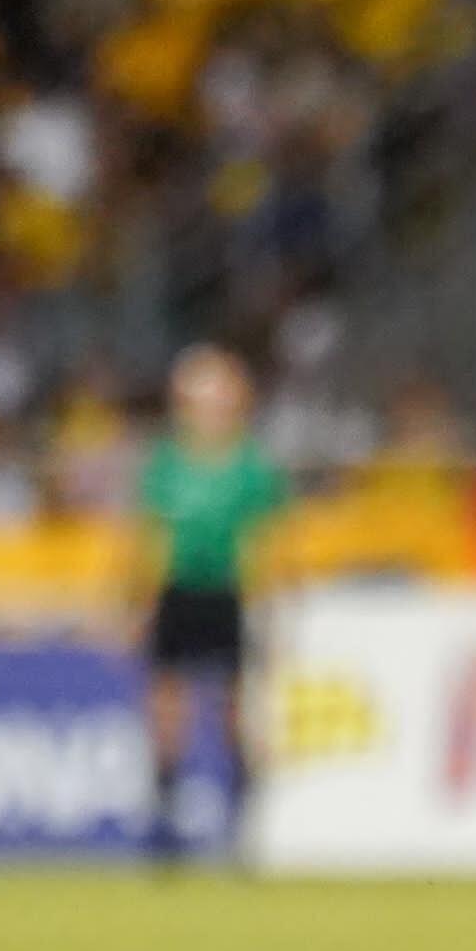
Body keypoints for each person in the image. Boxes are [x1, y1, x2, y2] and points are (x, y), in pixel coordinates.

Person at [135, 344, 286, 863]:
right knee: (167, 709)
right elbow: (149, 538)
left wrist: (272, 609)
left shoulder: (250, 467)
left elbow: (266, 546)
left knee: (233, 712)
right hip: (178, 592)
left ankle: (242, 827)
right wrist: (136, 603)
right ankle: (165, 823)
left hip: (227, 593)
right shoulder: (167, 461)